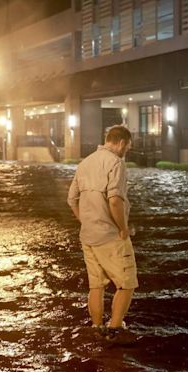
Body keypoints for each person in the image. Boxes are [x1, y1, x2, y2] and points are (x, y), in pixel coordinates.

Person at [67, 125, 138, 343]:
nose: (126, 151)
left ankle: (97, 327)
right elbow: (115, 200)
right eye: (128, 147)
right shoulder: (116, 163)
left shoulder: (85, 162)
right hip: (110, 236)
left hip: (88, 235)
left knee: (96, 285)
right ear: (122, 143)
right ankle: (115, 329)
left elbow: (71, 200)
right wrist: (123, 228)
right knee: (126, 283)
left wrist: (86, 221)